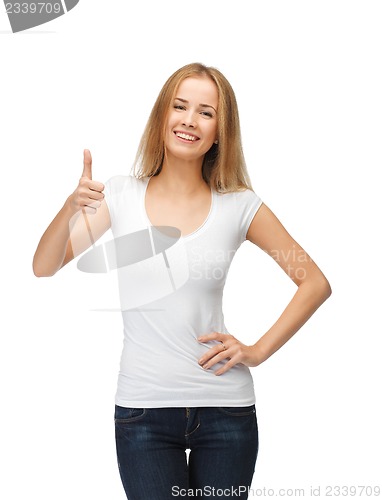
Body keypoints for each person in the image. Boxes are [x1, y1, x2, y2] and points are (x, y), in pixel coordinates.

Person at [33, 62, 332, 499]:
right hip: (144, 414)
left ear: (219, 132)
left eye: (206, 112)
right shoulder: (119, 195)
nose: (189, 120)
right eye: (180, 107)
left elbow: (314, 282)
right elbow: (44, 265)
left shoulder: (239, 205)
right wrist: (69, 206)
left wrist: (257, 351)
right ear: (162, 117)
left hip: (225, 414)